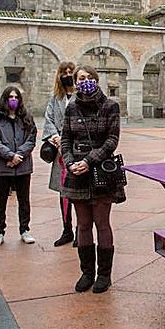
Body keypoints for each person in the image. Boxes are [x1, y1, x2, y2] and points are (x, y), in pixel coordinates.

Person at [61, 65, 125, 293]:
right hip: (77, 172)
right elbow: (65, 139)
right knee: (83, 224)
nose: (85, 81)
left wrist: (89, 160)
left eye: (89, 77)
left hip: (100, 172)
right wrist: (70, 162)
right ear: (75, 82)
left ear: (96, 80)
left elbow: (112, 140)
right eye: (81, 78)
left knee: (102, 223)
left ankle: (104, 275)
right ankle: (86, 273)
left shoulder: (110, 106)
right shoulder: (71, 108)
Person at [0, 86, 37, 246]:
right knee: (0, 200)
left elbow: (31, 139)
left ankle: (25, 229)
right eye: (10, 97)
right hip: (3, 166)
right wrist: (10, 156)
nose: (13, 100)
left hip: (23, 166)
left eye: (16, 97)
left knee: (24, 199)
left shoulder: (26, 118)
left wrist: (18, 156)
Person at [41, 60, 77, 246]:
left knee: (79, 192)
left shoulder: (81, 97)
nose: (67, 75)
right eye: (64, 72)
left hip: (77, 152)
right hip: (60, 154)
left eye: (71, 72)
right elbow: (48, 119)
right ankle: (67, 229)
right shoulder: (55, 98)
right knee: (63, 192)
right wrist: (55, 137)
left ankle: (81, 231)